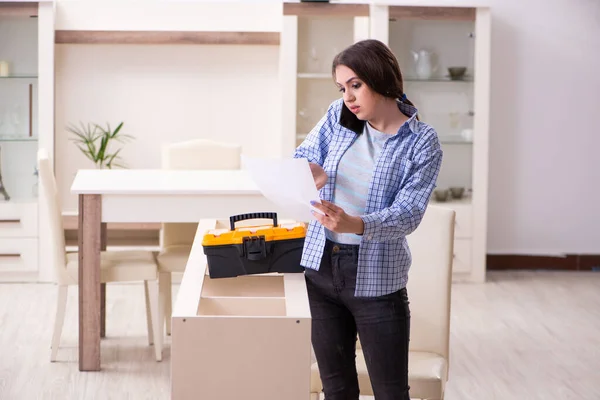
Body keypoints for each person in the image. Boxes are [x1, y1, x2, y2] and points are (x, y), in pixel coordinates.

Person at [293, 39, 443, 400]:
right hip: (320, 268)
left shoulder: (422, 142)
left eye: (355, 85)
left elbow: (408, 214)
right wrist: (309, 170)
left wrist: (355, 224)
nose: (348, 97)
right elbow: (303, 155)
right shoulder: (337, 116)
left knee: (391, 393)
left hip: (377, 279)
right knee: (337, 389)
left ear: (382, 79)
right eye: (342, 87)